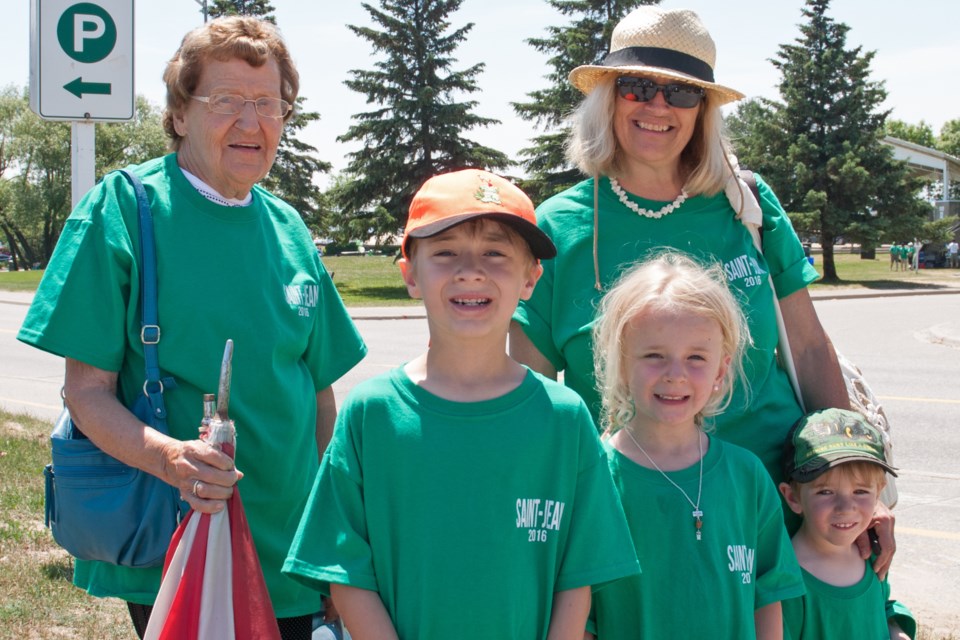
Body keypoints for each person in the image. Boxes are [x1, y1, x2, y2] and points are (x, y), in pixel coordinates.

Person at [506, 5, 901, 571]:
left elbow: (810, 349)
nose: (658, 106)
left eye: (682, 93)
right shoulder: (557, 229)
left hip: (776, 509)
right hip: (631, 518)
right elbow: (536, 401)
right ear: (610, 98)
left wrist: (853, 479)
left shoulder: (749, 206)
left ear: (703, 111)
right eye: (638, 86)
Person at [17, 17, 367, 639]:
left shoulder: (290, 229)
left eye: (267, 104)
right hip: (181, 546)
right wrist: (173, 458)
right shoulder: (125, 209)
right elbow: (86, 393)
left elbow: (318, 396)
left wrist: (332, 539)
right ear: (180, 114)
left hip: (291, 555)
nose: (251, 122)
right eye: (226, 101)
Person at [283, 169, 640, 640]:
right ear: (410, 274)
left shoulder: (564, 418)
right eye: (445, 253)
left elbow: (578, 580)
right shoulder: (372, 413)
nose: (470, 270)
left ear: (532, 277)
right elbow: (344, 569)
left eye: (496, 253)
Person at [587, 253, 804, 639]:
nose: (675, 375)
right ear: (621, 361)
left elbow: (768, 592)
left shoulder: (747, 475)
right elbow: (581, 612)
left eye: (696, 358)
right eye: (654, 356)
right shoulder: (594, 478)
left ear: (721, 370)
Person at [779, 408, 916, 640]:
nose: (845, 507)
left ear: (879, 493)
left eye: (860, 491)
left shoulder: (873, 555)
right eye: (826, 492)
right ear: (793, 497)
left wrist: (897, 631)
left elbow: (882, 607)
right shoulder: (786, 581)